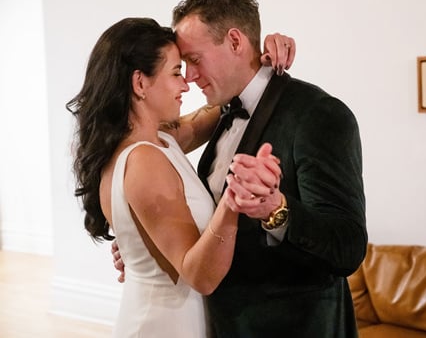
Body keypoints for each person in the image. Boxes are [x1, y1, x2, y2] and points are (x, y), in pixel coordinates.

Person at [114, 0, 367, 337]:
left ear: (235, 42)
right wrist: (146, 240)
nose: (189, 76)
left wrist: (277, 209)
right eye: (181, 67)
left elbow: (348, 247)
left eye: (195, 60)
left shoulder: (318, 115)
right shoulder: (219, 113)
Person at [68, 18, 291, 338]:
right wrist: (233, 200)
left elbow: (223, 106)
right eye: (175, 72)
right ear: (140, 84)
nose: (186, 83)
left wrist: (257, 66)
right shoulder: (144, 160)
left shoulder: (161, 139)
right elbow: (200, 276)